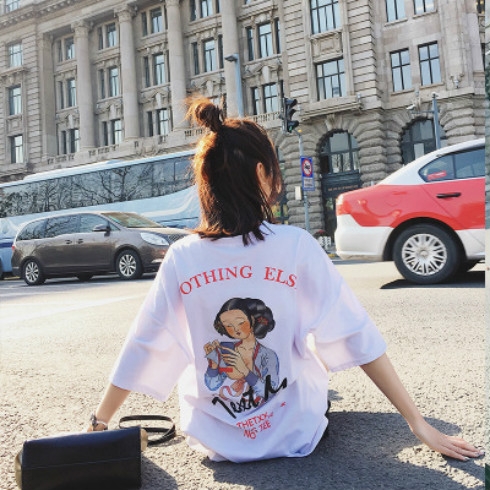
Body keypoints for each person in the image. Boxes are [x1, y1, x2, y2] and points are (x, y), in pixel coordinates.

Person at [88, 97, 483, 463]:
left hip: (216, 441)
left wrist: (99, 422)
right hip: (295, 432)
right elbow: (354, 332)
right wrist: (417, 422)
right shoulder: (294, 245)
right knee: (310, 352)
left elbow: (144, 341)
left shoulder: (182, 256)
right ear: (262, 173)